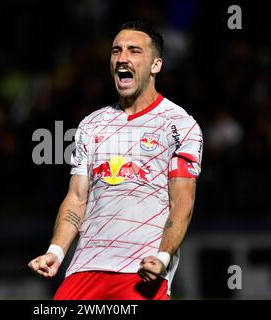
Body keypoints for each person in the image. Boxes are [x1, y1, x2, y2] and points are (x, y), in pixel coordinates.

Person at [28, 21, 203, 300]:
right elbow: (76, 197)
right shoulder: (91, 125)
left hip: (140, 272)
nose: (122, 58)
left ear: (156, 65)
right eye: (116, 51)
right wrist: (56, 252)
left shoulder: (179, 125)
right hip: (84, 270)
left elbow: (182, 202)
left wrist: (162, 257)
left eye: (134, 51)